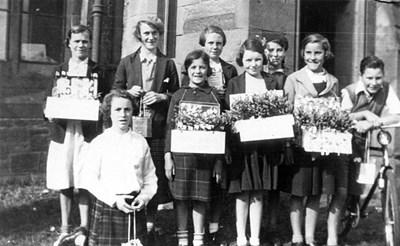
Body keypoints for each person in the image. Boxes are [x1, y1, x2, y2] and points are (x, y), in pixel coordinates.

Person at [113, 16, 180, 243]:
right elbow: (115, 91)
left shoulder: (168, 63)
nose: (151, 38)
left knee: (153, 174)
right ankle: (130, 220)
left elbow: (177, 96)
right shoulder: (127, 62)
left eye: (155, 33)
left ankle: (149, 225)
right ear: (139, 36)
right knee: (132, 172)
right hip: (133, 127)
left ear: (160, 35)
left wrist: (162, 96)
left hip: (158, 128)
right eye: (146, 34)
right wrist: (127, 93)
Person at [44, 25, 109, 246]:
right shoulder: (60, 69)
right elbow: (48, 99)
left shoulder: (97, 71)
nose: (81, 45)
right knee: (65, 177)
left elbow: (106, 100)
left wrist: (100, 106)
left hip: (87, 132)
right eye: (77, 41)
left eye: (85, 41)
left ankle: (83, 227)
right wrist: (49, 112)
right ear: (69, 43)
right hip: (64, 132)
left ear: (90, 43)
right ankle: (64, 227)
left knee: (85, 178)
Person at [284, 33, 347, 246]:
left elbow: (335, 111)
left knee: (315, 191)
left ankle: (309, 236)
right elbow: (286, 110)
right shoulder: (294, 79)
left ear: (325, 54)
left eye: (317, 53)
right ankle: (296, 235)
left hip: (323, 146)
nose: (313, 57)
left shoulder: (333, 81)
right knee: (298, 191)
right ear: (302, 54)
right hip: (301, 145)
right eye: (309, 53)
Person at [79, 89, 158, 246]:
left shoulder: (140, 141)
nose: (123, 114)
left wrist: (144, 197)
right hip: (109, 206)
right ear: (109, 113)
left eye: (127, 109)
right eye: (118, 110)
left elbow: (150, 176)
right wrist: (114, 200)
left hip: (135, 206)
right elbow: (89, 178)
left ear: (132, 112)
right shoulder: (100, 143)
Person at [182, 25, 238, 246]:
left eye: (218, 43)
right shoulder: (198, 65)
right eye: (210, 43)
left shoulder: (230, 69)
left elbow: (235, 97)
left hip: (223, 125)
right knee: (202, 178)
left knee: (221, 176)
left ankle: (215, 225)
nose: (214, 47)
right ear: (203, 45)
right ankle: (198, 228)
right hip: (200, 127)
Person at [164, 49, 224, 246]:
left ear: (208, 70)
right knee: (181, 197)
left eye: (202, 67)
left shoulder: (214, 95)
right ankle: (182, 236)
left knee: (200, 197)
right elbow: (170, 127)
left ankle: (198, 236)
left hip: (205, 157)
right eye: (193, 67)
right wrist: (167, 157)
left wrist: (218, 161)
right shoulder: (178, 95)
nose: (198, 71)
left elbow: (220, 130)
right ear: (187, 70)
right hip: (182, 156)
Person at [225, 38, 280, 246]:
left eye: (258, 59)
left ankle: (255, 237)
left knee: (258, 191)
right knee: (242, 191)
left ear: (263, 59)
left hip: (264, 145)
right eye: (248, 60)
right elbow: (230, 117)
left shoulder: (272, 82)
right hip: (242, 146)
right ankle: (241, 236)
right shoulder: (235, 83)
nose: (253, 64)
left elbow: (279, 112)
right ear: (242, 60)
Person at [341, 55, 400, 219]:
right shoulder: (350, 91)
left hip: (365, 139)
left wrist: (375, 122)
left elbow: (397, 115)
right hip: (345, 140)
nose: (374, 83)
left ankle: (356, 205)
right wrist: (364, 115)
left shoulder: (386, 89)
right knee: (345, 182)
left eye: (378, 78)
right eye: (369, 78)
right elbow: (342, 117)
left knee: (361, 177)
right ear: (361, 76)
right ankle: (342, 213)